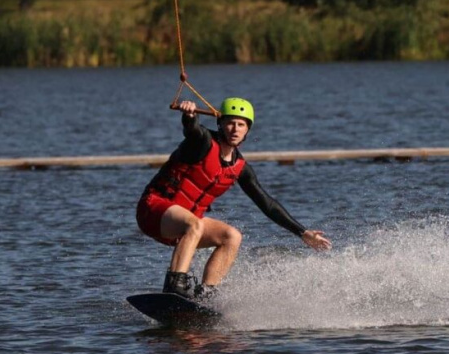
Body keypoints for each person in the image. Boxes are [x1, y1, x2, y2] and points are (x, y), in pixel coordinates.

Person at [136, 98, 332, 299]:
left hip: (184, 227)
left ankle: (206, 295)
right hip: (153, 210)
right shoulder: (202, 142)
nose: (235, 129)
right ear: (219, 123)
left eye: (241, 124)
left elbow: (268, 204)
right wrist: (189, 116)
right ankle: (174, 285)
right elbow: (192, 130)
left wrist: (303, 233)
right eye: (230, 123)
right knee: (194, 224)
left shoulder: (240, 168)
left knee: (232, 236)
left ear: (247, 130)